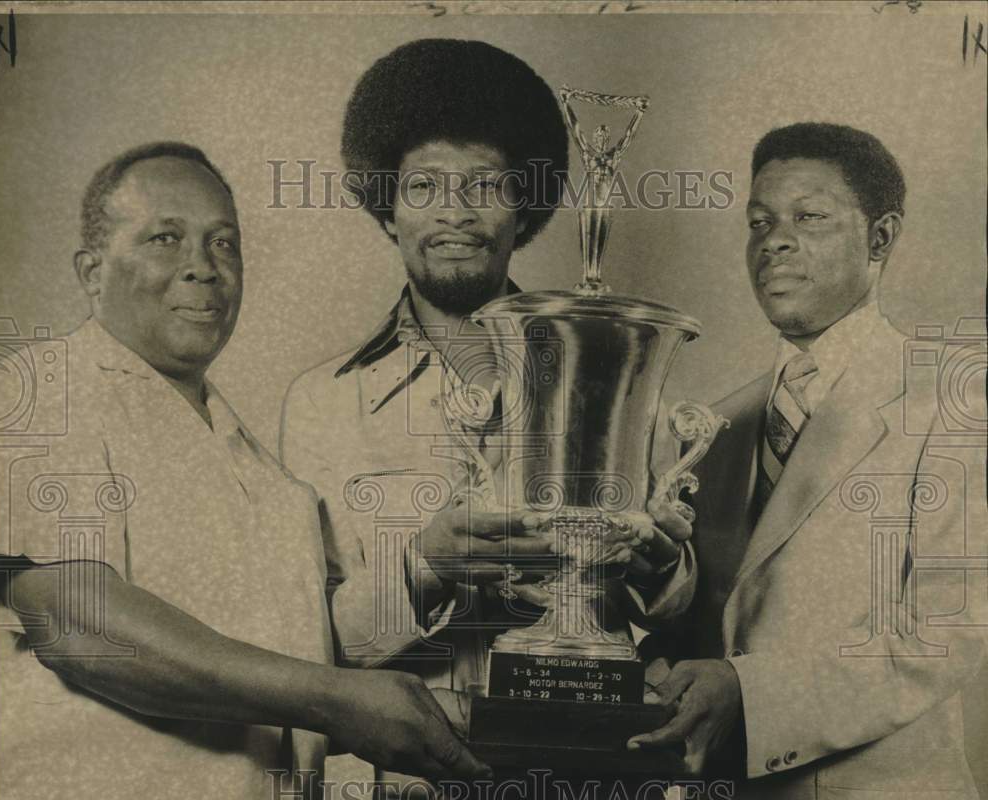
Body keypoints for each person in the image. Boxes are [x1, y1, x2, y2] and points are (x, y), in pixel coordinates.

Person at [0, 142, 493, 800]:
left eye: (223, 243)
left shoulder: (273, 483)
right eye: (165, 238)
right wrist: (334, 700)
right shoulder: (36, 390)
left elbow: (307, 657)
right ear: (91, 272)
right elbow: (76, 619)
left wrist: (430, 562)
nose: (202, 267)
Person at [280, 39, 694, 791]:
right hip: (397, 780)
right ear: (387, 207)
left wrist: (661, 558)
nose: (455, 213)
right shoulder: (320, 404)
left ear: (523, 208)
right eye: (425, 187)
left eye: (484, 186)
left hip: (585, 774)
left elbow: (672, 600)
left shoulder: (609, 368)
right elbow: (312, 643)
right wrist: (426, 566)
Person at [628, 123, 987, 799]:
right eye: (758, 221)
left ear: (880, 239)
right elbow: (698, 621)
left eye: (810, 217)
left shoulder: (956, 401)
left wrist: (748, 690)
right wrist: (660, 572)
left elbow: (948, 634)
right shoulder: (719, 423)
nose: (775, 242)